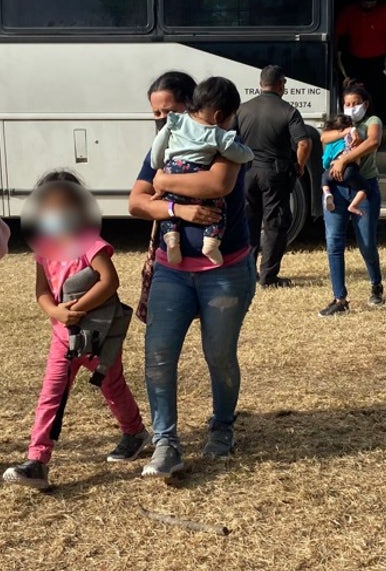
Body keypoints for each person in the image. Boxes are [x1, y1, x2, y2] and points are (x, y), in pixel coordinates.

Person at [129, 72, 256, 477]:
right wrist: (176, 210)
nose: (161, 119)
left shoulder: (222, 141)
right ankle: (165, 442)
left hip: (225, 270)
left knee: (219, 355)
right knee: (158, 355)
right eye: (156, 113)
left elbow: (215, 183)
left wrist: (162, 182)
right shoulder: (167, 143)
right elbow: (136, 202)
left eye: (168, 110)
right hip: (173, 273)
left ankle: (222, 428)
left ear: (191, 107)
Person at [3, 171, 149, 490]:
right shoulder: (44, 249)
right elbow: (42, 292)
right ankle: (37, 460)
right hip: (62, 337)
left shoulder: (90, 243)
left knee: (112, 384)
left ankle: (135, 432)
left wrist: (79, 307)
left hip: (98, 334)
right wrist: (56, 311)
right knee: (51, 394)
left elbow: (109, 281)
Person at [149, 83, 255, 266]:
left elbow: (158, 144)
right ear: (219, 116)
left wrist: (159, 167)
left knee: (169, 204)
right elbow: (236, 157)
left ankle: (171, 237)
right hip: (195, 172)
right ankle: (211, 243)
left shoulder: (175, 121)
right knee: (218, 209)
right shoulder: (217, 134)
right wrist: (248, 153)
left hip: (172, 168)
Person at [235, 65, 312, 288]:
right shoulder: (288, 111)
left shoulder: (242, 110)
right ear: (281, 85)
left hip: (247, 172)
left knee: (248, 222)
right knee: (274, 224)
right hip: (274, 174)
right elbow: (304, 143)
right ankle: (268, 276)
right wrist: (299, 165)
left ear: (260, 84)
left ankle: (247, 273)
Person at [319, 85, 385, 317]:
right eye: (347, 104)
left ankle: (376, 284)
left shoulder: (372, 121)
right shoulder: (342, 123)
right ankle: (340, 298)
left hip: (363, 189)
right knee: (334, 243)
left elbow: (373, 141)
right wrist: (345, 133)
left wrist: (344, 160)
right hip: (336, 191)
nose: (350, 108)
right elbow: (323, 136)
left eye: (355, 103)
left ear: (365, 104)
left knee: (366, 243)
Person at [335, 0, 386, 122]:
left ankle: (376, 121)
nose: (369, 6)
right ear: (360, 0)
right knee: (354, 93)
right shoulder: (349, 12)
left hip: (378, 60)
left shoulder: (385, 11)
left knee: (376, 94)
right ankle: (351, 122)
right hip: (354, 60)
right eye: (366, 3)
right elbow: (338, 37)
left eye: (372, 3)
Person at [321, 114, 367, 216]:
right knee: (364, 188)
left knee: (324, 179)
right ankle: (353, 206)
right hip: (350, 169)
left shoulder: (331, 142)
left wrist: (328, 167)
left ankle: (327, 193)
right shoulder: (355, 137)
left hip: (333, 168)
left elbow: (326, 160)